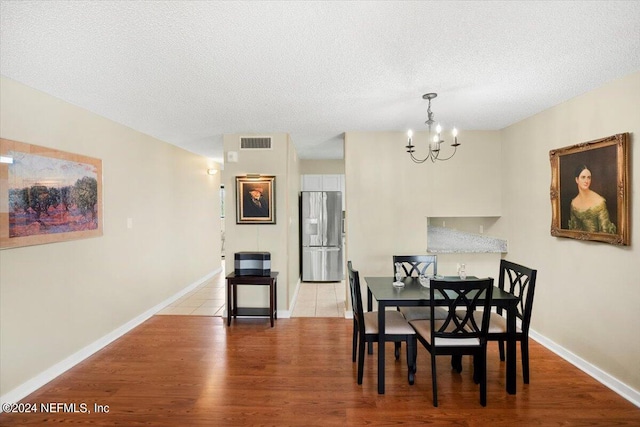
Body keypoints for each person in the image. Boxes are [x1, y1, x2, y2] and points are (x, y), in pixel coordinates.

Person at [568, 164, 616, 233]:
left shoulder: (599, 202)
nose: (586, 181)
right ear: (577, 180)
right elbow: (575, 231)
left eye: (589, 177)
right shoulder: (574, 203)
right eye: (583, 177)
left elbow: (605, 232)